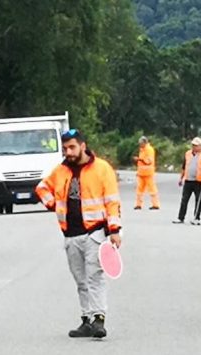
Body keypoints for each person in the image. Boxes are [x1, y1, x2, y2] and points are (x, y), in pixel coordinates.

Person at [35, 129, 122, 339]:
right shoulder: (61, 171)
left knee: (95, 277)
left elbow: (112, 201)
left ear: (83, 146)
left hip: (95, 233)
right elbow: (41, 188)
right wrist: (53, 204)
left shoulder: (102, 169)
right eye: (65, 148)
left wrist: (114, 230)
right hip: (70, 235)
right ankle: (86, 320)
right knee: (80, 280)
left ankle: (99, 319)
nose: (68, 152)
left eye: (72, 147)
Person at [173, 137, 201, 225]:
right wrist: (181, 178)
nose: (194, 147)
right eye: (193, 145)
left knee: (198, 200)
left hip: (199, 181)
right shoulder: (187, 154)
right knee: (184, 199)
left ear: (200, 146)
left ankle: (197, 218)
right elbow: (184, 167)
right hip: (188, 180)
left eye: (196, 145)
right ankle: (180, 218)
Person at [132, 136, 160, 210]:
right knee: (139, 190)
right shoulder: (142, 149)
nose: (140, 145)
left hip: (148, 173)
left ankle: (155, 204)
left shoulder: (149, 149)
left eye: (141, 143)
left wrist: (139, 159)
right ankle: (138, 205)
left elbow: (148, 161)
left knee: (152, 189)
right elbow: (141, 163)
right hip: (141, 173)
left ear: (145, 142)